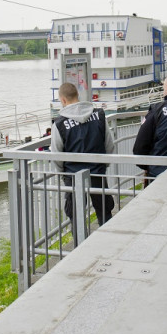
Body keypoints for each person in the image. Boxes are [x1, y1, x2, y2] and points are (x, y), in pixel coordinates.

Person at [51, 82, 115, 227]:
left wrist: (63, 174)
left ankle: (80, 247)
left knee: (76, 215)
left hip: (73, 177)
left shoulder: (60, 124)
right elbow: (109, 145)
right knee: (104, 210)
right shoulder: (98, 115)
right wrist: (103, 165)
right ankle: (109, 243)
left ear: (62, 100)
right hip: (97, 172)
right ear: (77, 96)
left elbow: (56, 155)